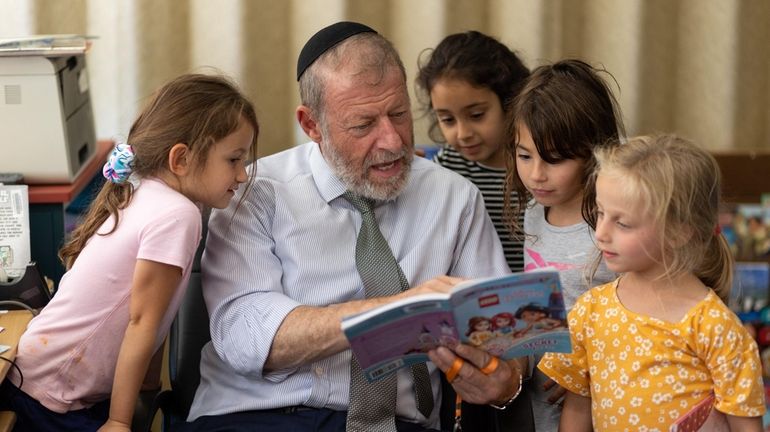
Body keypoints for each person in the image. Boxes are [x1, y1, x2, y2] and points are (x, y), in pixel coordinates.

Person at [184, 21, 531, 432]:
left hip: (400, 424)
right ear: (312, 124)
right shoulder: (253, 192)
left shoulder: (454, 197)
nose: (391, 141)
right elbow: (247, 339)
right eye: (364, 125)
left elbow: (512, 338)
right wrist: (400, 311)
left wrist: (507, 380)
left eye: (399, 114)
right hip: (259, 416)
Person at [0, 73, 259, 431]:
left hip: (43, 382)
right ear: (181, 159)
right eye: (234, 160)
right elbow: (143, 322)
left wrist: (149, 388)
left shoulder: (148, 195)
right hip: (52, 398)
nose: (242, 175)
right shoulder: (177, 214)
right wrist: (121, 420)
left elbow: (158, 313)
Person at [539, 134, 766, 431]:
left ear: (679, 231)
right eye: (600, 213)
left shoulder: (717, 329)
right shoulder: (591, 311)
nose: (601, 233)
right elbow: (578, 409)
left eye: (622, 223)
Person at [504, 58, 625, 431]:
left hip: (603, 396)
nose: (536, 174)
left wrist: (584, 368)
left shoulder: (611, 224)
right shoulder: (533, 214)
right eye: (525, 156)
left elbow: (641, 311)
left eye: (555, 159)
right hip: (539, 401)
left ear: (594, 150)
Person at [415, 30, 530, 272]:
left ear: (511, 101)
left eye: (476, 115)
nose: (462, 133)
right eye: (447, 120)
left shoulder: (537, 165)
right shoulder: (446, 168)